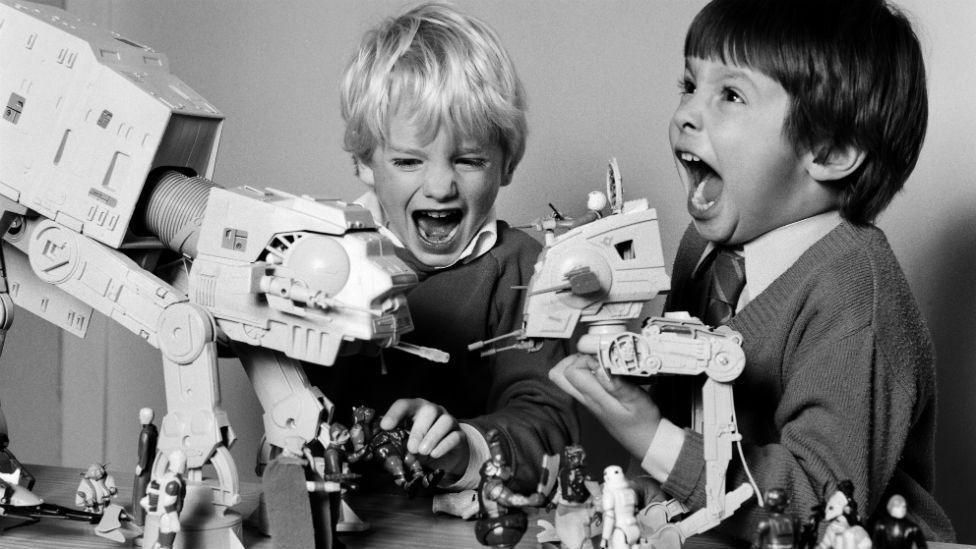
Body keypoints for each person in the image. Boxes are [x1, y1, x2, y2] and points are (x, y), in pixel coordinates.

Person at [549, 0, 954, 542]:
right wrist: (656, 480)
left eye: (730, 95)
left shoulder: (859, 298)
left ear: (831, 150)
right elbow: (689, 414)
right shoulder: (702, 250)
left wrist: (651, 438)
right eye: (688, 85)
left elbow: (815, 502)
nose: (685, 114)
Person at [305, 2, 577, 493]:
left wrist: (468, 447)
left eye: (469, 159)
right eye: (409, 161)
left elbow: (548, 421)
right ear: (365, 162)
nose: (440, 186)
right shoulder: (319, 254)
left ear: (506, 164)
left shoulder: (526, 268)